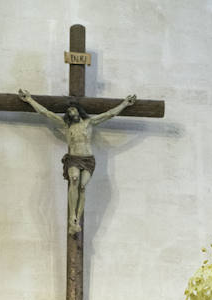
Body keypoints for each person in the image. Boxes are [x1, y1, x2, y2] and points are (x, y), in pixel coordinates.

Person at [18, 89, 136, 235]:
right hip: (74, 158)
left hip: (88, 159)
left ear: (79, 111)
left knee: (82, 186)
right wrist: (29, 99)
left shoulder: (89, 123)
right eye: (68, 111)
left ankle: (77, 219)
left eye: (72, 109)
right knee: (74, 180)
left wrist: (125, 103)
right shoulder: (67, 125)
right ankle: (71, 216)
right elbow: (46, 113)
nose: (70, 112)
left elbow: (109, 114)